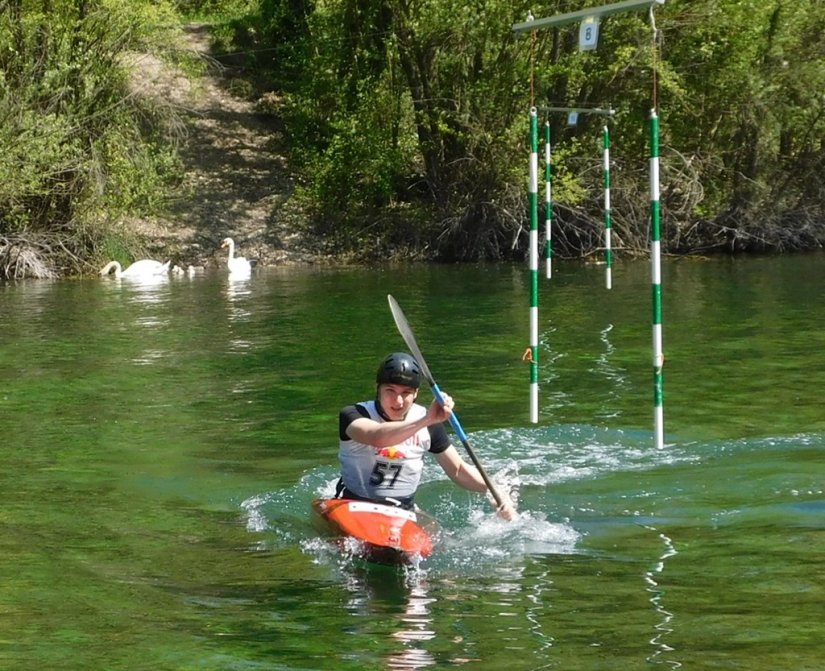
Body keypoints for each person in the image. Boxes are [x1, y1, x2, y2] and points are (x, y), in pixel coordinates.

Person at [335, 352, 516, 521]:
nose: (398, 401)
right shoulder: (354, 414)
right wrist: (427, 419)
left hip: (402, 508)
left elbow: (458, 470)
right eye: (390, 390)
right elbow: (376, 437)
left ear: (416, 394)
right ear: (378, 389)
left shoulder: (427, 423)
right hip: (352, 502)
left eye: (406, 393)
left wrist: (494, 490)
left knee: (442, 546)